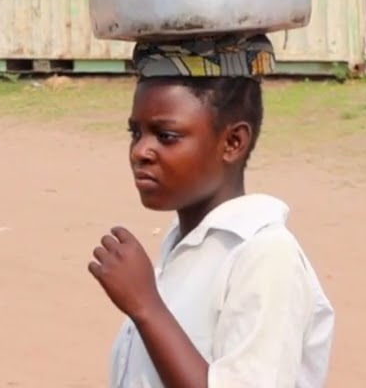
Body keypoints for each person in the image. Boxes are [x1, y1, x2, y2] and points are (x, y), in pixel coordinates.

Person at [89, 35, 335, 388]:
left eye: (166, 135)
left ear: (233, 142)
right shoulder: (186, 244)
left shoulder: (266, 256)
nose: (140, 151)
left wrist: (146, 306)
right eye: (136, 132)